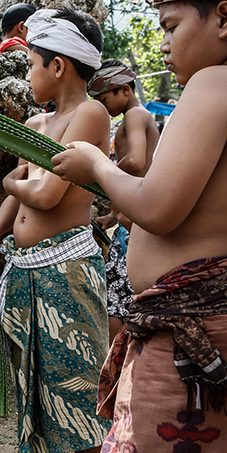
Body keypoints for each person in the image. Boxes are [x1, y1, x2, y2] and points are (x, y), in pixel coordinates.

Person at [52, 0, 227, 453]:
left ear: (224, 17)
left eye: (171, 26)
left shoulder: (216, 85)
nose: (163, 44)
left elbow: (162, 208)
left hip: (196, 342)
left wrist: (96, 166)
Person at [0, 7, 112, 453]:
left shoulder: (91, 115)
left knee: (77, 391)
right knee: (40, 389)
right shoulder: (34, 124)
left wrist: (14, 180)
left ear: (60, 66)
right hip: (27, 270)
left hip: (68, 271)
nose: (27, 74)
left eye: (31, 64)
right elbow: (25, 190)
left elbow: (47, 194)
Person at [88, 59, 160, 340]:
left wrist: (98, 171)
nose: (102, 107)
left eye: (104, 99)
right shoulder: (134, 117)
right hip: (127, 219)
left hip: (134, 223)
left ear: (125, 90)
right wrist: (110, 215)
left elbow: (136, 160)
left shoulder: (134, 115)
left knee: (117, 305)